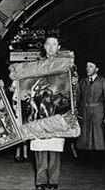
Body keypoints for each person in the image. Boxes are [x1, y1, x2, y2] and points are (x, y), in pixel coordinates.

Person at [30, 35, 68, 190]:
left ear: (59, 47)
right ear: (44, 46)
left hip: (58, 111)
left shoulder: (65, 66)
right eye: (48, 44)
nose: (51, 47)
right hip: (40, 111)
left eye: (54, 44)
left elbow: (71, 87)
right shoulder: (37, 66)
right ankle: (40, 181)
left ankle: (53, 181)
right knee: (40, 147)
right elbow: (28, 84)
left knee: (54, 147)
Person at [76, 59, 105, 166]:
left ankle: (98, 160)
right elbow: (78, 98)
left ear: (97, 69)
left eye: (91, 66)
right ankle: (84, 159)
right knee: (84, 135)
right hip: (85, 111)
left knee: (98, 136)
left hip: (98, 111)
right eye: (87, 66)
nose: (88, 69)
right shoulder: (82, 82)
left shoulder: (104, 81)